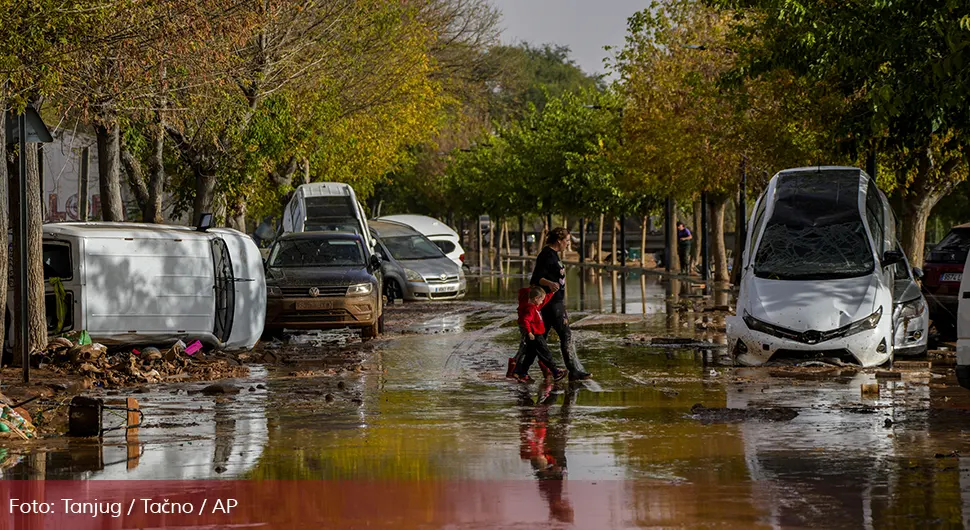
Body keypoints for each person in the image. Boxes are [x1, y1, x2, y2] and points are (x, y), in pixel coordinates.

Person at [531, 227, 591, 380]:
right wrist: (549, 283)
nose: (568, 244)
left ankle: (520, 367)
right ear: (559, 241)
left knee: (538, 338)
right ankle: (573, 370)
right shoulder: (546, 255)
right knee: (566, 335)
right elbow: (536, 278)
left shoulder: (554, 255)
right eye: (567, 241)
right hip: (551, 303)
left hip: (554, 302)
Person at [511, 286, 566, 382]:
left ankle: (522, 373)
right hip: (536, 335)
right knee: (546, 353)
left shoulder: (535, 307)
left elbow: (544, 302)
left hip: (534, 335)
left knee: (530, 355)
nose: (542, 302)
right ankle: (555, 372)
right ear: (536, 298)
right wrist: (529, 332)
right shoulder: (531, 309)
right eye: (541, 300)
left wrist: (551, 293)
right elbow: (525, 320)